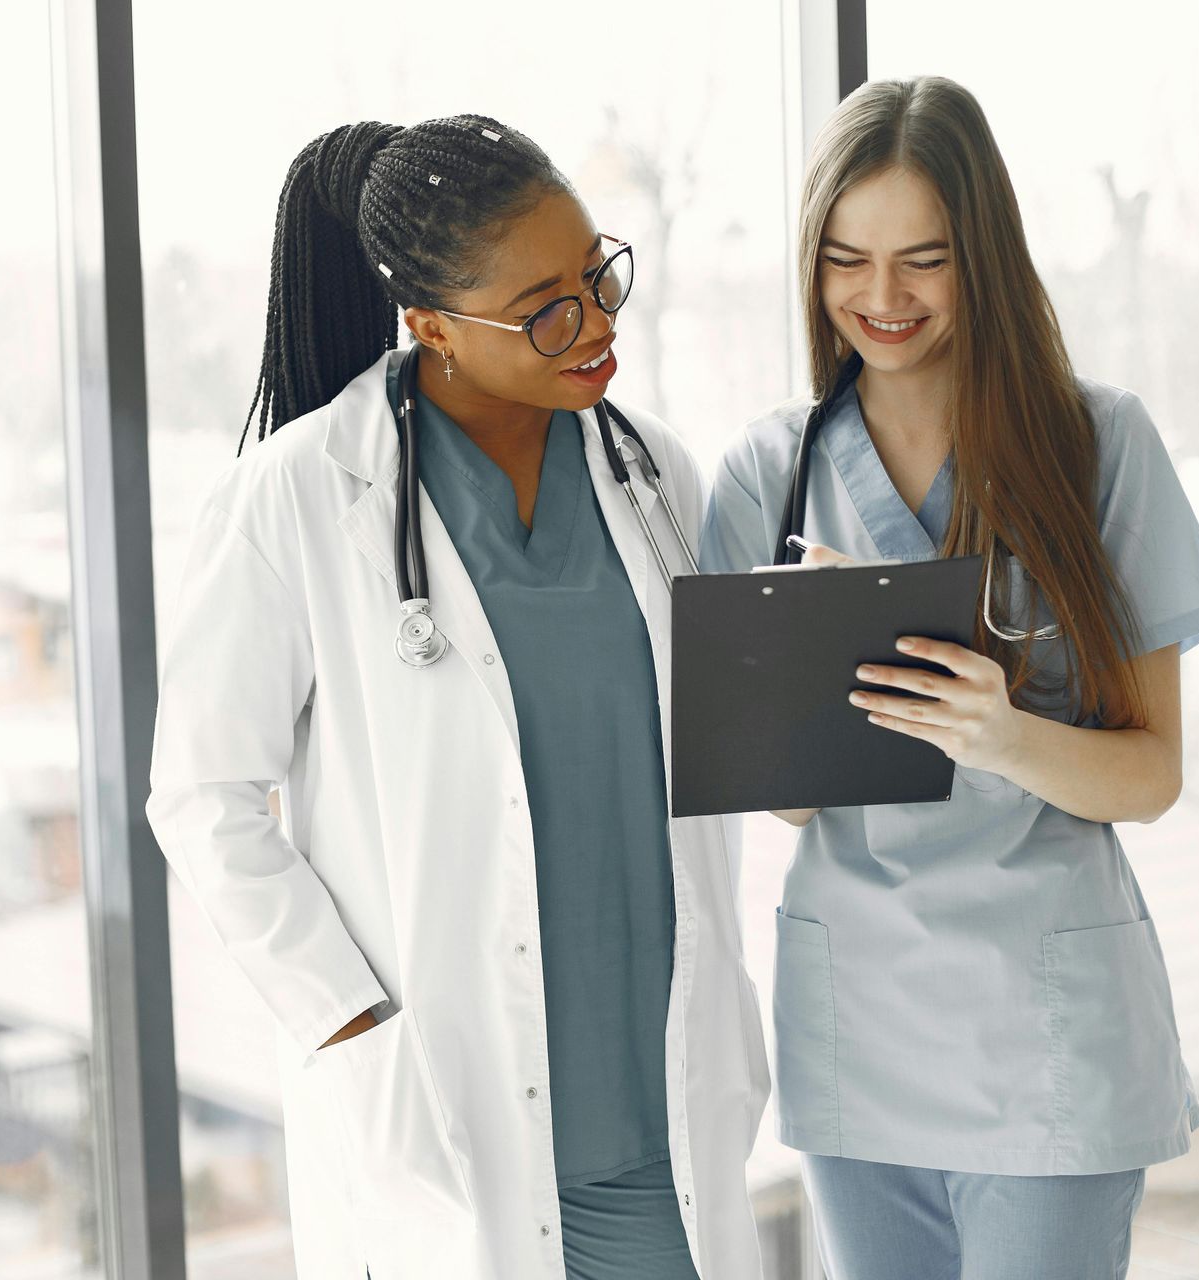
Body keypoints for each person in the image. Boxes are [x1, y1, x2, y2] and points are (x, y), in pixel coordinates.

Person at [147, 116, 769, 1280]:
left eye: (599, 275)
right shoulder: (296, 500)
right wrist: (347, 1020)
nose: (596, 325)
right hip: (448, 1124)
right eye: (546, 307)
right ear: (429, 323)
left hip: (665, 1115)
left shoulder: (654, 475)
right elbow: (199, 794)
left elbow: (726, 740)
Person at [700, 77, 1199, 1280]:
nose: (879, 299)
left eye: (923, 260)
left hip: (1044, 1026)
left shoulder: (1100, 447)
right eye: (846, 258)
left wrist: (993, 726)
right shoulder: (767, 471)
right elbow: (783, 801)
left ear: (982, 255)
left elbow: (1149, 774)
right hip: (862, 1023)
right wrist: (820, 667)